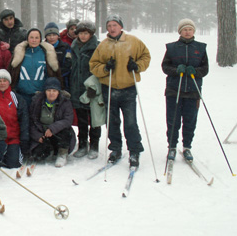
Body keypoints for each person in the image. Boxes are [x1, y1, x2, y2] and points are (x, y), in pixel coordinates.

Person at [89, 14, 151, 167]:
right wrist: (105, 68)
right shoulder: (103, 45)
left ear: (121, 26)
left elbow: (146, 56)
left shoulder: (133, 41)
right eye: (109, 26)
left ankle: (134, 150)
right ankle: (115, 148)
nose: (112, 28)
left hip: (128, 88)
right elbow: (93, 65)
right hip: (109, 88)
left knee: (130, 121)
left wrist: (137, 66)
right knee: (112, 121)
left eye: (114, 25)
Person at [161, 18, 208, 161]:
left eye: (190, 29)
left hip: (193, 90)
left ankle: (187, 147)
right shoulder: (171, 47)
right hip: (174, 90)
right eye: (185, 29)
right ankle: (172, 147)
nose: (187, 32)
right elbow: (165, 67)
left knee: (190, 120)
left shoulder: (200, 48)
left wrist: (195, 71)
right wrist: (176, 70)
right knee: (173, 120)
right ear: (180, 31)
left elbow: (205, 69)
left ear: (194, 31)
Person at [69, 20, 101, 159]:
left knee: (94, 119)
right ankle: (82, 144)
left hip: (91, 87)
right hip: (76, 87)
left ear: (91, 34)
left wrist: (95, 86)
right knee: (81, 119)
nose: (83, 36)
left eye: (86, 33)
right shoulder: (74, 45)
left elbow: (99, 69)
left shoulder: (97, 47)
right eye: (80, 33)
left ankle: (94, 145)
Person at [8, 28, 63, 107]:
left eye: (36, 38)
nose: (34, 40)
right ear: (27, 39)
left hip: (41, 96)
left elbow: (52, 74)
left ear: (40, 39)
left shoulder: (46, 53)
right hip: (21, 95)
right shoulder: (20, 53)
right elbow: (11, 72)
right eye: (31, 37)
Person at [0, 69, 29, 168]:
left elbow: (24, 120)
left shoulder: (17, 99)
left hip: (13, 138)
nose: (2, 83)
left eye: (4, 80)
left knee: (13, 164)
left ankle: (8, 154)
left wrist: (24, 139)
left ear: (8, 82)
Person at [29, 77, 75, 167]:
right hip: (42, 132)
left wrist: (52, 128)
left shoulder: (65, 102)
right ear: (45, 91)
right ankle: (49, 150)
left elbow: (68, 120)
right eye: (49, 90)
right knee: (38, 156)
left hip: (58, 133)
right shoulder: (37, 101)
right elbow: (32, 121)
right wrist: (37, 136)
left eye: (54, 91)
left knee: (66, 131)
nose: (51, 93)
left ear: (58, 92)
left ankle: (62, 153)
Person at [44, 22, 72, 90]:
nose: (52, 37)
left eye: (54, 35)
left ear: (58, 35)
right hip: (45, 80)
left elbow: (68, 64)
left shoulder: (65, 47)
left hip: (63, 81)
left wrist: (57, 75)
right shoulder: (42, 47)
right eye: (49, 35)